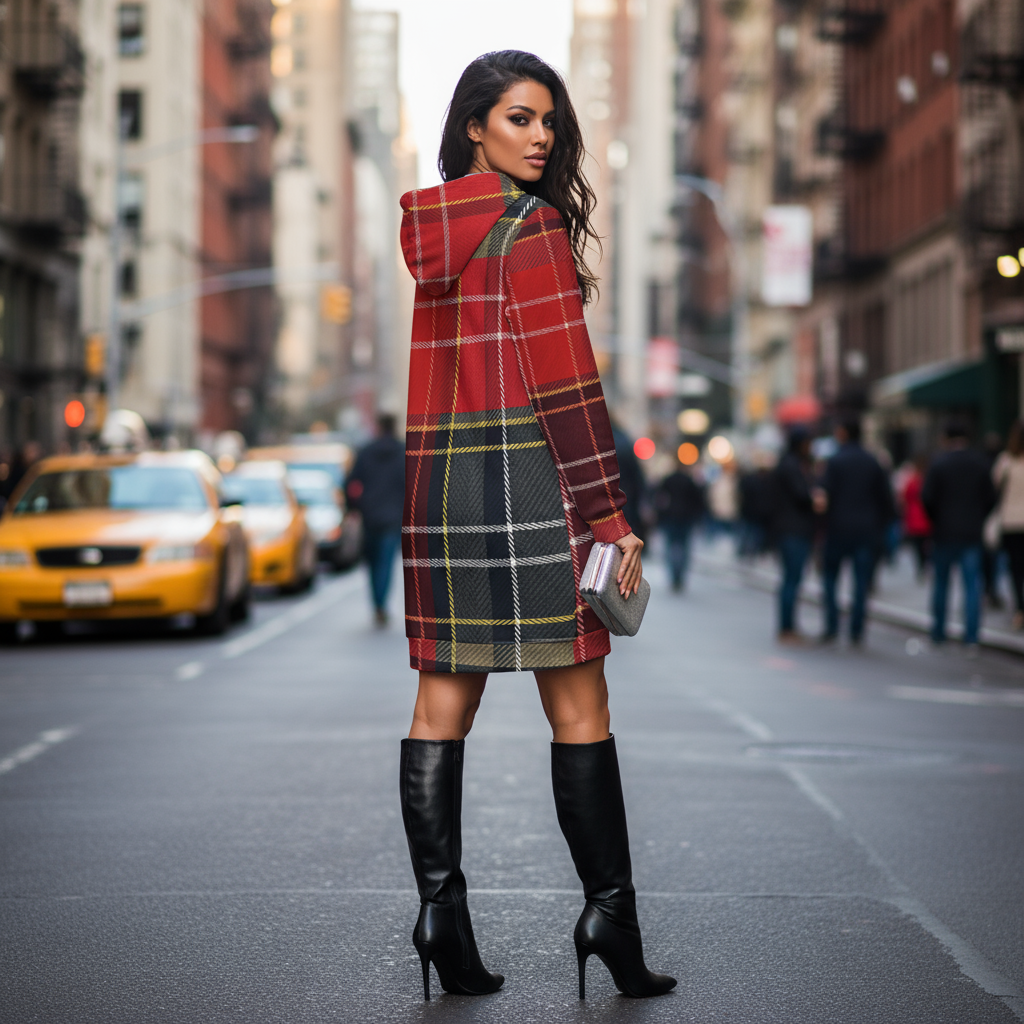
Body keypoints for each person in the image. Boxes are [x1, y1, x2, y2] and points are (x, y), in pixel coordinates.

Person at [396, 51, 675, 1002]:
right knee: (581, 710)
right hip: (531, 489)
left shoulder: (434, 227)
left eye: (548, 121)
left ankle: (441, 915)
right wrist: (608, 515)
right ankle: (610, 916)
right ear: (475, 124)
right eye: (520, 118)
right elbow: (565, 385)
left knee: (441, 708)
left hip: (443, 491)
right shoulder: (534, 225)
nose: (541, 136)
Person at [821, 416, 894, 645]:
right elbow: (886, 500)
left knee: (831, 579)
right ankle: (857, 629)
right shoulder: (873, 462)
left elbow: (825, 496)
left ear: (843, 433)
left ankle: (832, 626)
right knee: (861, 582)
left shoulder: (835, 462)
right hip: (866, 529)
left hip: (838, 528)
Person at [922, 421, 996, 648]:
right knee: (972, 586)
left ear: (946, 438)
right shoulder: (980, 463)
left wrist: (937, 519)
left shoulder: (938, 463)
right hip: (971, 533)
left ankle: (938, 633)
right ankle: (971, 636)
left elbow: (927, 499)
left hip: (944, 532)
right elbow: (991, 498)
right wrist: (978, 518)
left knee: (941, 584)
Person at [347, 413, 405, 626]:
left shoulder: (365, 452)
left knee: (372, 562)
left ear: (379, 427)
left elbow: (351, 482)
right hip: (393, 517)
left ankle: (377, 603)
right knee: (386, 562)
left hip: (369, 515)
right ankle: (380, 604)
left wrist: (353, 507)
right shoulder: (403, 451)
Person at [770, 428, 816, 643]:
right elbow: (802, 496)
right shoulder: (792, 466)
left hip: (788, 529)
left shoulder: (787, 464)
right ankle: (787, 627)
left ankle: (787, 626)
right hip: (793, 530)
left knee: (790, 579)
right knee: (792, 579)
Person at [655, 455, 705, 591]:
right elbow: (699, 501)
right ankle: (680, 575)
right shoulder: (690, 481)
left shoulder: (668, 480)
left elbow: (659, 498)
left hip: (670, 518)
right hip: (686, 519)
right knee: (684, 547)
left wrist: (659, 516)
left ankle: (674, 574)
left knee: (670, 547)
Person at [993, 421, 1024, 629]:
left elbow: (993, 486)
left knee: (1015, 568)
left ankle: (1019, 609)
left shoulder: (1006, 461)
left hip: (1011, 521)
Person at [899, 455, 931, 580]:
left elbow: (905, 497)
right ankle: (924, 564)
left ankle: (920, 566)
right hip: (926, 516)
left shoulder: (912, 481)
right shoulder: (926, 480)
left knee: (917, 545)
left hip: (914, 515)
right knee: (926, 544)